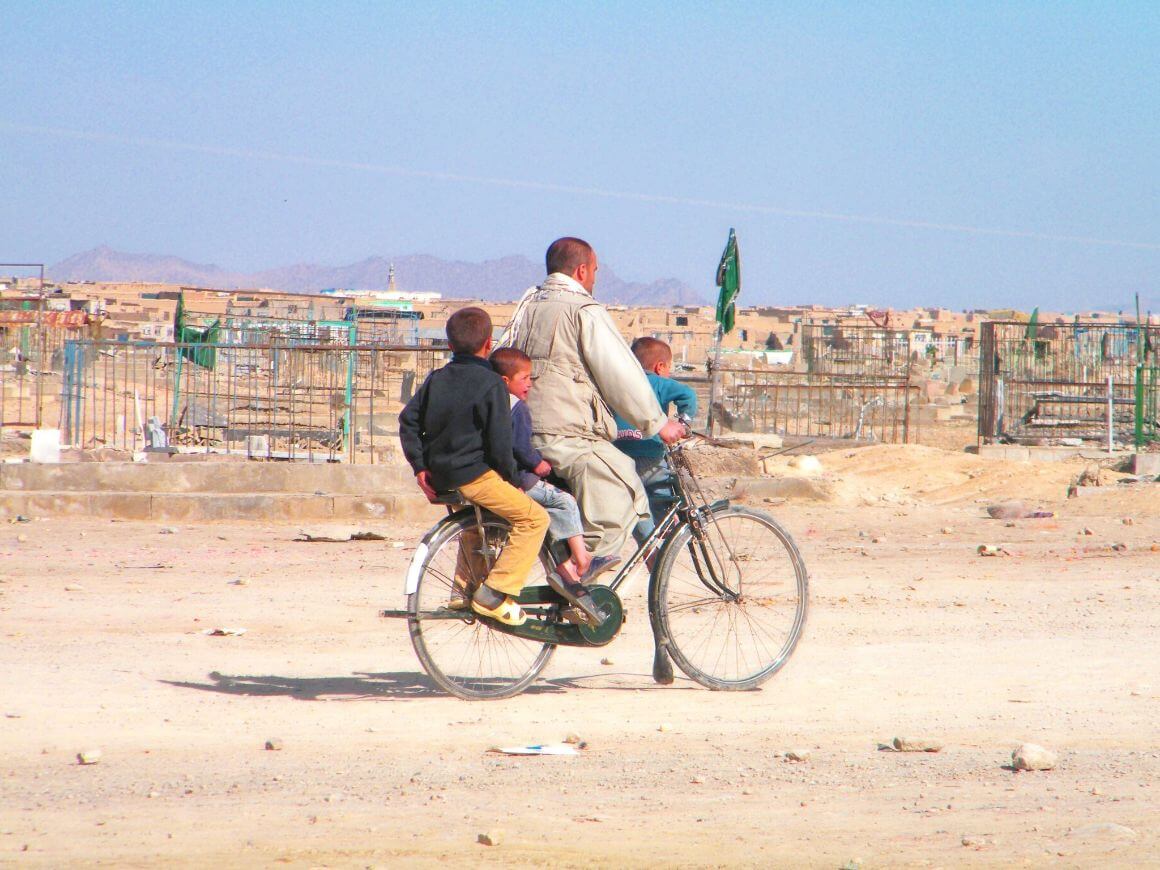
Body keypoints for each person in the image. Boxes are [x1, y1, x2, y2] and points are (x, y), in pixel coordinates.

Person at [500, 237, 686, 565]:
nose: (596, 279)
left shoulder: (527, 306)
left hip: (519, 431)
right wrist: (658, 423)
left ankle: (567, 569)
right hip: (565, 434)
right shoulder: (583, 310)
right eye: (595, 271)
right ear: (582, 270)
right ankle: (582, 573)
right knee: (622, 486)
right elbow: (620, 373)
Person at [398, 307, 548, 626]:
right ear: (488, 343)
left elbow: (408, 421)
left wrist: (419, 466)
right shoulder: (491, 383)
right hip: (473, 474)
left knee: (482, 518)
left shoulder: (437, 379)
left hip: (440, 474)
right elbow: (499, 443)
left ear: (450, 346)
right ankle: (495, 593)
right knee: (534, 518)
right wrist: (513, 480)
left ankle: (462, 587)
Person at [490, 347, 622, 590]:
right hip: (520, 478)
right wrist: (537, 463)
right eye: (524, 379)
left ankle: (565, 568)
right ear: (505, 381)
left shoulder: (494, 404)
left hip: (499, 477)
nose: (529, 384)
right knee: (566, 502)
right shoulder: (517, 408)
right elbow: (519, 446)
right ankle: (583, 561)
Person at [614, 337, 698, 544]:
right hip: (651, 454)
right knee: (661, 495)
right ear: (660, 367)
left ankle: (648, 543)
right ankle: (668, 537)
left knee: (634, 504)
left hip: (619, 455)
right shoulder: (659, 383)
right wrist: (683, 422)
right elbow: (688, 395)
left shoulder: (617, 382)